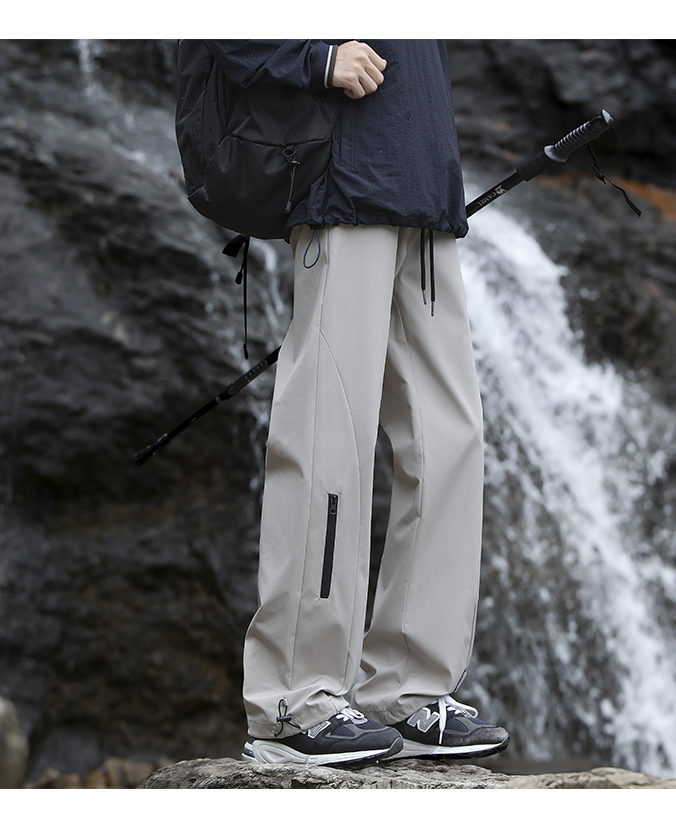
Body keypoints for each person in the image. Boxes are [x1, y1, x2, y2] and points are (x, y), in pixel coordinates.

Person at [204, 39, 510, 765]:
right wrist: (314, 58)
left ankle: (407, 689)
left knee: (450, 443)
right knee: (328, 438)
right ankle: (294, 699)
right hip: (342, 182)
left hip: (426, 190)